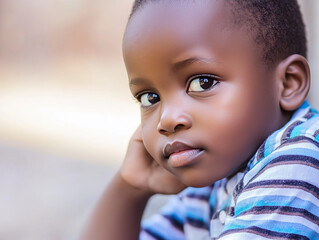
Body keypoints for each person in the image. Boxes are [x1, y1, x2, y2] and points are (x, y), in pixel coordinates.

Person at [81, 0, 319, 239]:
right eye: (149, 98)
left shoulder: (299, 161)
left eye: (202, 83)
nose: (167, 119)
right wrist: (131, 187)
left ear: (289, 83)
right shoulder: (209, 189)